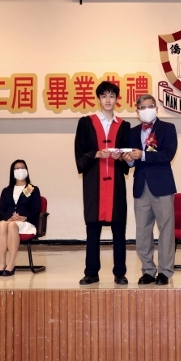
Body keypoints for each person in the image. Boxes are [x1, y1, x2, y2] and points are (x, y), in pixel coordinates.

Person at [75, 81, 131, 285]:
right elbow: (79, 151)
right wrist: (97, 154)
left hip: (116, 184)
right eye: (104, 96)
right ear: (98, 99)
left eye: (112, 96)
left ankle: (120, 272)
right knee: (93, 229)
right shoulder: (86, 123)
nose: (108, 100)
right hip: (94, 183)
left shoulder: (124, 125)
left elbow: (127, 155)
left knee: (119, 229)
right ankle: (91, 272)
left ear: (117, 99)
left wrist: (121, 156)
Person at [123, 94, 178, 286]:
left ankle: (165, 271)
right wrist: (129, 161)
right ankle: (148, 270)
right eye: (142, 107)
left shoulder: (167, 128)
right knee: (143, 231)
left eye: (150, 106)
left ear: (156, 108)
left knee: (166, 229)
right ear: (137, 112)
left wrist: (144, 155)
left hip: (162, 186)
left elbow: (168, 154)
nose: (147, 110)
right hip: (141, 186)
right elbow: (131, 159)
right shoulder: (132, 132)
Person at [0, 159, 41, 277]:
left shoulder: (32, 189)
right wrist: (8, 218)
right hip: (8, 221)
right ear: (12, 172)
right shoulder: (6, 191)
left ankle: (11, 263)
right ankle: (2, 263)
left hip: (25, 222)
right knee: (3, 224)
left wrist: (24, 217)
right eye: (17, 168)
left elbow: (36, 209)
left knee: (12, 225)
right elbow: (1, 210)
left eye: (22, 167)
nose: (20, 170)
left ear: (27, 170)